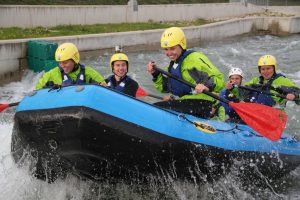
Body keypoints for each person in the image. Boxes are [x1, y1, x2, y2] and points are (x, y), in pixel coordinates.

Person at [147, 27, 225, 119]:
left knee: (157, 108)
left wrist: (206, 86)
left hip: (204, 102)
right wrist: (155, 74)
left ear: (182, 45)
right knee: (155, 107)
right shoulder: (173, 66)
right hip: (187, 102)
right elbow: (166, 88)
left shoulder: (194, 59)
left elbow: (220, 80)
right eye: (166, 49)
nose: (169, 53)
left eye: (172, 48)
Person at [36, 42, 106, 90]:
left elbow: (105, 87)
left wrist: (102, 86)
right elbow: (38, 89)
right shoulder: (52, 74)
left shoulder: (88, 73)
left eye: (65, 62)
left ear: (74, 60)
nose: (62, 66)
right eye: (60, 63)